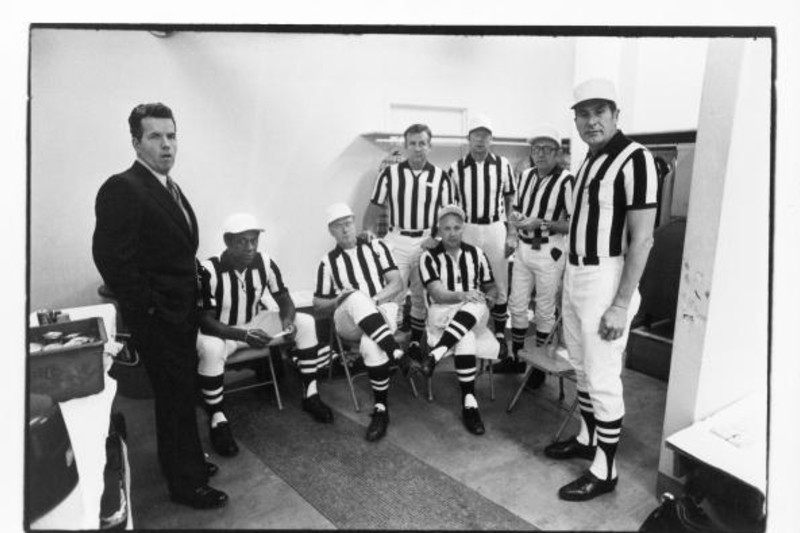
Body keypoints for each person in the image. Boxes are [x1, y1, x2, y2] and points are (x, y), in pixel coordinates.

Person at [92, 103, 227, 509]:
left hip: (179, 315)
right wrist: (149, 311)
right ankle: (186, 486)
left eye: (171, 135)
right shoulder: (123, 187)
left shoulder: (167, 185)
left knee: (181, 395)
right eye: (155, 136)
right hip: (159, 320)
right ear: (136, 142)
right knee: (174, 397)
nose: (166, 144)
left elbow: (176, 251)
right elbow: (111, 259)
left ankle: (184, 464)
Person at [545, 79, 658, 502]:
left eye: (600, 112)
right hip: (576, 275)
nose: (591, 121)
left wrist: (621, 304)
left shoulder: (636, 159)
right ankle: (587, 437)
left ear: (615, 115)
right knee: (581, 366)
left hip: (606, 278)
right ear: (575, 119)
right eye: (583, 114)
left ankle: (605, 470)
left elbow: (643, 239)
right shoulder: (589, 161)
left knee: (604, 374)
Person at [196, 212, 333, 457]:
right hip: (224, 330)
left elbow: (284, 300)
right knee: (210, 348)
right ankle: (218, 418)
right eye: (243, 241)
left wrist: (288, 321)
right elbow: (205, 321)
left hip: (255, 323)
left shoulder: (265, 262)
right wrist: (241, 335)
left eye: (254, 240)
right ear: (227, 242)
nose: (250, 248)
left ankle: (310, 393)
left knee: (306, 322)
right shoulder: (208, 269)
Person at [314, 203, 410, 442]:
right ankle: (396, 352)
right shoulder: (328, 261)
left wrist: (373, 300)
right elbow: (317, 304)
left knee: (370, 345)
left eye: (348, 223)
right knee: (354, 296)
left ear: (354, 222)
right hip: (348, 322)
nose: (345, 230)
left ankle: (380, 410)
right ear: (331, 231)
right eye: (338, 226)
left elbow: (396, 283)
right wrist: (340, 299)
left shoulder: (376, 246)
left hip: (381, 309)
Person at [362, 124, 453, 363]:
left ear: (429, 146)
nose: (417, 148)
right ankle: (390, 347)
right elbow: (374, 206)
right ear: (405, 146)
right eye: (412, 143)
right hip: (397, 238)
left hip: (426, 241)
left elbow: (448, 215)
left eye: (422, 143)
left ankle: (414, 342)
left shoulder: (441, 177)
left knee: (421, 293)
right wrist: (368, 232)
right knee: (394, 293)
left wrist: (438, 238)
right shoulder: (389, 174)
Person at [499, 125, 573, 390]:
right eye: (536, 149)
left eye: (546, 149)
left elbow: (574, 224)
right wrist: (514, 226)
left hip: (549, 250)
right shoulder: (527, 175)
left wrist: (542, 221)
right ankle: (518, 357)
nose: (540, 154)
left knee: (543, 310)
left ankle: (538, 368)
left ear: (558, 153)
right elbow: (515, 209)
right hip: (523, 248)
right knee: (517, 306)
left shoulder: (567, 181)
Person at [418, 204, 500, 436]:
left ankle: (436, 353)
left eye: (456, 228)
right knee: (465, 335)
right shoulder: (428, 257)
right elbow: (437, 294)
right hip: (442, 314)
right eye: (447, 229)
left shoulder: (477, 254)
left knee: (476, 302)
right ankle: (469, 402)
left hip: (473, 313)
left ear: (463, 228)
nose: (452, 233)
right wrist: (462, 295)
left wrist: (491, 297)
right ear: (439, 230)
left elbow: (491, 287)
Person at [448, 114, 517, 358]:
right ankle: (467, 331)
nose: (480, 140)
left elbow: (511, 200)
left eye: (485, 136)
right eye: (476, 135)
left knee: (499, 280)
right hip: (468, 228)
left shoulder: (503, 164)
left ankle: (500, 335)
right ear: (468, 138)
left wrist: (511, 231)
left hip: (495, 227)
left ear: (491, 139)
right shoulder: (455, 168)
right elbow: (449, 205)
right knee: (467, 278)